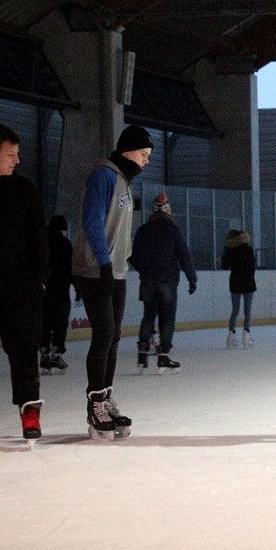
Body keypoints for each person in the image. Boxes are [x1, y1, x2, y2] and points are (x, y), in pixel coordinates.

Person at [72, 124, 153, 441]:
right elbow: (91, 221)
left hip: (116, 268)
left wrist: (126, 261)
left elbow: (119, 230)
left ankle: (105, 397)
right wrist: (104, 263)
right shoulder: (103, 176)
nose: (145, 161)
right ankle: (95, 403)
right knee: (104, 333)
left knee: (114, 335)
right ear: (129, 150)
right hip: (96, 268)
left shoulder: (123, 181)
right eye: (144, 154)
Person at [0, 123, 48, 448]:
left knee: (23, 350)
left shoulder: (25, 190)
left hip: (19, 285)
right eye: (11, 154)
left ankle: (29, 411)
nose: (17, 160)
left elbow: (38, 238)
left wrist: (40, 280)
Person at [129, 192, 197, 374]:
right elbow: (185, 256)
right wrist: (192, 278)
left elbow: (132, 255)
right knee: (167, 318)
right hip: (167, 280)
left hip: (148, 280)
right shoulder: (173, 231)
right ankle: (164, 357)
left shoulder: (144, 230)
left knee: (149, 315)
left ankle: (143, 354)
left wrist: (144, 270)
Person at [40, 215, 75, 375]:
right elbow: (72, 268)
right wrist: (79, 289)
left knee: (44, 322)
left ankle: (44, 351)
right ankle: (56, 353)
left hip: (43, 291)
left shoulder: (42, 243)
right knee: (60, 323)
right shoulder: (65, 244)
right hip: (61, 291)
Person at [221, 229, 257, 349]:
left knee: (235, 310)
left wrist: (222, 259)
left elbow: (224, 266)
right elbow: (252, 265)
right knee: (247, 311)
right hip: (248, 281)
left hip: (235, 282)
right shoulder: (248, 248)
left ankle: (230, 337)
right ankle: (246, 337)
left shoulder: (230, 250)